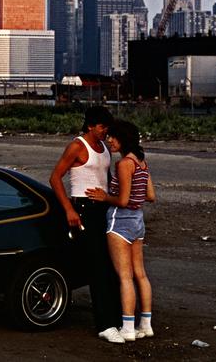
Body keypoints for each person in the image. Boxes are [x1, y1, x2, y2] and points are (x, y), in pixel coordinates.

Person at [49, 105, 123, 343]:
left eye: (107, 127)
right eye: (102, 127)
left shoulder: (104, 148)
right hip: (83, 208)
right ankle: (105, 324)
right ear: (90, 125)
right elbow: (55, 177)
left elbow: (106, 177)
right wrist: (69, 209)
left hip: (103, 208)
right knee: (98, 267)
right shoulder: (77, 146)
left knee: (111, 265)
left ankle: (118, 319)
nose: (105, 131)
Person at [86, 119, 156, 342]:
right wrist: (134, 195)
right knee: (140, 275)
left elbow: (123, 200)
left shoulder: (124, 164)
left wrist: (104, 196)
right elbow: (150, 195)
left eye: (113, 137)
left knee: (124, 277)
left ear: (123, 138)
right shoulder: (142, 162)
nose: (109, 140)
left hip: (120, 223)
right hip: (138, 221)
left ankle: (127, 327)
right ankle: (145, 324)